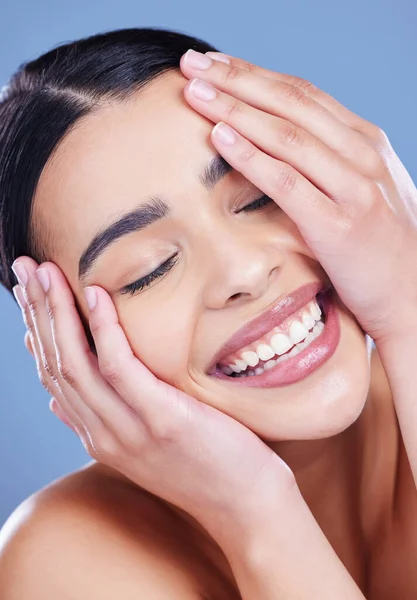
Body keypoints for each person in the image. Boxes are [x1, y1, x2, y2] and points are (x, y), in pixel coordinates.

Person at [0, 26, 416, 599]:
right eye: (149, 268)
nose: (243, 272)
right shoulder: (64, 564)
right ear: (74, 348)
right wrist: (256, 515)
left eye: (258, 197)